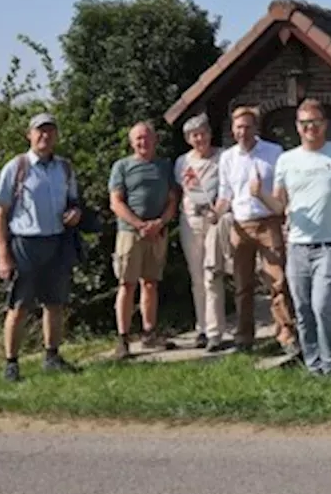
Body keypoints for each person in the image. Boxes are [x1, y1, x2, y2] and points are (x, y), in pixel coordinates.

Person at [252, 98, 331, 376]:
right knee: (303, 308)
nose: (310, 128)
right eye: (305, 124)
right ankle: (313, 364)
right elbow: (280, 206)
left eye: (315, 123)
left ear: (324, 125)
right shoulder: (286, 160)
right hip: (298, 246)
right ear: (298, 127)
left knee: (322, 304)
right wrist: (259, 194)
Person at [0, 113, 84, 381]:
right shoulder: (16, 167)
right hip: (24, 244)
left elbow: (74, 202)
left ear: (56, 136)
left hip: (56, 242)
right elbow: (0, 213)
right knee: (19, 307)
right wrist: (3, 255)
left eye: (50, 131)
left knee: (55, 304)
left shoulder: (64, 168)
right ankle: (11, 364)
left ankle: (52, 357)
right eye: (40, 131)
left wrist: (75, 212)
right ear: (29, 135)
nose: (45, 136)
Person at [215, 106, 299, 355]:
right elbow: (224, 195)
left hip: (268, 222)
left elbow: (284, 189)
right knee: (242, 284)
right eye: (238, 127)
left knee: (277, 280)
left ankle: (285, 332)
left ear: (256, 128)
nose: (243, 132)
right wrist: (215, 213)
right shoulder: (227, 158)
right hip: (240, 225)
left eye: (247, 127)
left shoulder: (273, 153)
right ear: (233, 129)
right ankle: (244, 337)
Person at [108, 120, 179, 359]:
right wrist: (139, 224)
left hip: (157, 232)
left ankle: (149, 333)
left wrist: (160, 222)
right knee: (127, 284)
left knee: (150, 283)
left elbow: (172, 201)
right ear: (131, 142)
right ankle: (123, 338)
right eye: (138, 138)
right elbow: (116, 202)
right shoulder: (122, 166)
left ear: (155, 140)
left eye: (147, 137)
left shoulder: (164, 166)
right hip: (130, 232)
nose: (143, 142)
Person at [173, 113, 227, 351]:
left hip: (214, 221)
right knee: (197, 278)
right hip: (190, 221)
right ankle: (202, 329)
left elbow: (228, 188)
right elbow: (179, 191)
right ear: (188, 139)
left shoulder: (223, 157)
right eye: (194, 135)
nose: (199, 139)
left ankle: (216, 332)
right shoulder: (182, 162)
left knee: (212, 274)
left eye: (202, 133)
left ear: (209, 134)